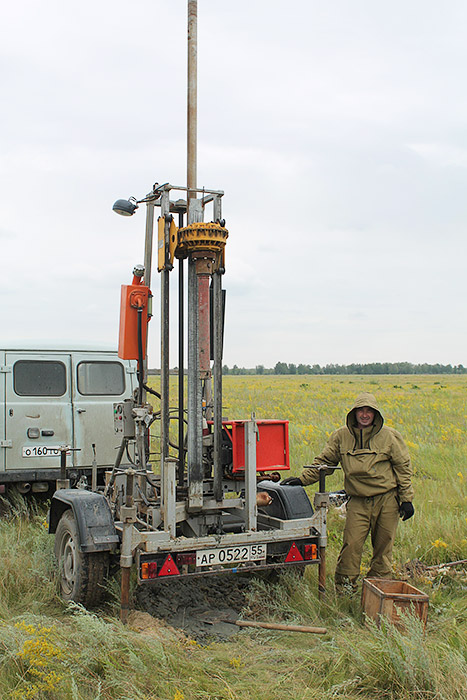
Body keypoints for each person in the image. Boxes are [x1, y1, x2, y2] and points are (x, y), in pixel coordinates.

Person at [282, 392, 414, 593]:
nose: (365, 415)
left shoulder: (390, 436)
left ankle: (377, 591)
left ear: (375, 414)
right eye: (361, 410)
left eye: (369, 411)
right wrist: (301, 480)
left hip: (387, 500)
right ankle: (345, 591)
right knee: (351, 546)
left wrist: (406, 500)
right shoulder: (341, 436)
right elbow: (324, 462)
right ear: (354, 413)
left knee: (383, 548)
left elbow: (403, 468)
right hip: (358, 501)